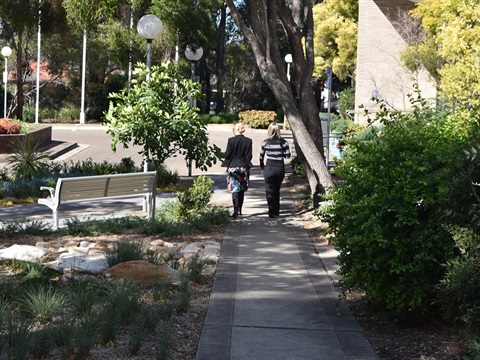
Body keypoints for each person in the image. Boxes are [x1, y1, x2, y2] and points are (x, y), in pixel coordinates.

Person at [259, 123, 291, 218]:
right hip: (279, 168)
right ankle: (276, 211)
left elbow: (261, 156)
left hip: (269, 167)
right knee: (277, 190)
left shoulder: (265, 142)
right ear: (278, 130)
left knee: (269, 190)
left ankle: (271, 211)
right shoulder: (284, 142)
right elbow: (288, 155)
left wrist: (261, 165)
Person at [222, 122, 253, 218]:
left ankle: (235, 210)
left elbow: (227, 154)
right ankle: (240, 209)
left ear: (234, 130)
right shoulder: (248, 141)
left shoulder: (231, 140)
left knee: (234, 189)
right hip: (243, 167)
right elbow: (249, 156)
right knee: (241, 189)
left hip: (233, 167)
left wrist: (219, 154)